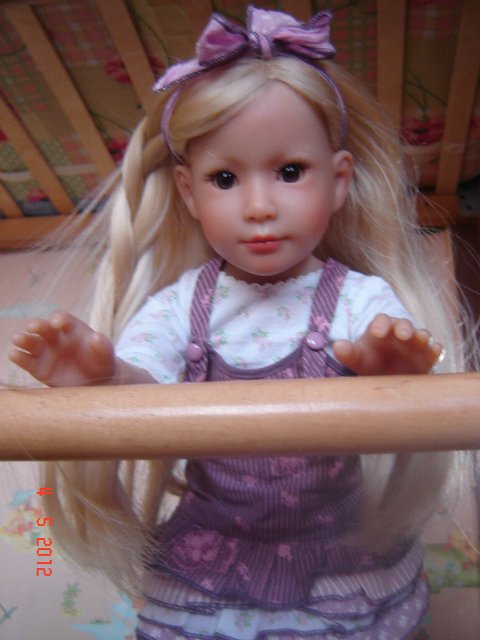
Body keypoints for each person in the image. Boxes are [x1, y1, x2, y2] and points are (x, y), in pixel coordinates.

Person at [9, 6, 467, 640]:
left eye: (289, 172)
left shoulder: (358, 298)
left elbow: (402, 372)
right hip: (214, 544)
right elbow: (145, 403)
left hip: (337, 547)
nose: (258, 207)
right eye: (224, 178)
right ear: (189, 192)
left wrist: (392, 373)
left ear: (338, 181)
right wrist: (105, 377)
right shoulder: (179, 306)